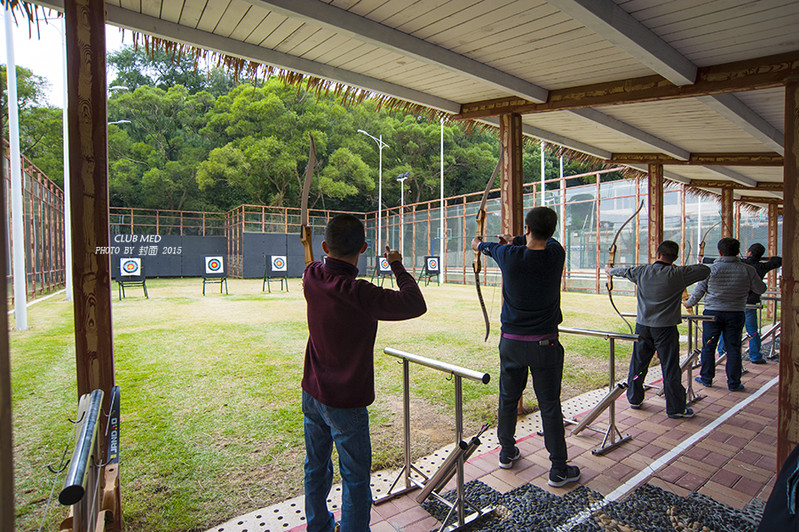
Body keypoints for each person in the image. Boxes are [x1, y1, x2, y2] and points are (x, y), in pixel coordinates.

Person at [302, 214, 427, 532]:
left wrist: (309, 246)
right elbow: (415, 303)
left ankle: (318, 527)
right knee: (356, 479)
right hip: (345, 402)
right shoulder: (361, 293)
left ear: (325, 246)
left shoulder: (312, 276)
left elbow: (315, 263)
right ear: (364, 248)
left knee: (315, 467)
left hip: (313, 393)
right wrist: (396, 264)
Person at [470, 206, 580, 488]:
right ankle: (558, 469)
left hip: (511, 345)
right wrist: (517, 238)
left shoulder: (508, 255)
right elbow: (543, 241)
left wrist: (485, 243)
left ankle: (506, 452)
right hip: (545, 345)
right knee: (550, 405)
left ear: (527, 229)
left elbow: (483, 245)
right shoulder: (557, 254)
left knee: (508, 399)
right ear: (551, 231)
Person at [605, 240, 710, 418]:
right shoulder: (678, 273)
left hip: (643, 326)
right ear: (675, 257)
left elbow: (623, 271)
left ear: (657, 254)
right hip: (665, 328)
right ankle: (675, 408)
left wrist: (609, 270)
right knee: (669, 367)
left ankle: (634, 398)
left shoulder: (642, 271)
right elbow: (705, 270)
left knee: (638, 364)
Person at [684, 238, 766, 392]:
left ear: (720, 252)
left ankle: (706, 378)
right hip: (736, 313)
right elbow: (760, 289)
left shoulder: (711, 269)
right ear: (738, 251)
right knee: (733, 348)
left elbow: (699, 291)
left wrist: (689, 304)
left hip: (712, 314)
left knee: (709, 346)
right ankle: (734, 383)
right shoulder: (747, 269)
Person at [715, 243, 781, 363]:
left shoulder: (741, 263)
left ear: (749, 253)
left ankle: (722, 353)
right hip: (750, 303)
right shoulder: (762, 266)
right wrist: (765, 258)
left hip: (736, 302)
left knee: (728, 329)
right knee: (752, 331)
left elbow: (716, 260)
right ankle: (755, 356)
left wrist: (702, 259)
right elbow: (778, 261)